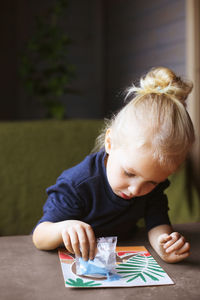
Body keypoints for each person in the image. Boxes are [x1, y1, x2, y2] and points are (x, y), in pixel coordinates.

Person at [33, 67, 195, 264]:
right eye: (129, 173)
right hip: (76, 263)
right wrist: (64, 228)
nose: (136, 189)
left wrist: (164, 243)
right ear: (110, 143)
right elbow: (39, 236)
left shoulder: (151, 186)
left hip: (122, 258)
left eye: (152, 182)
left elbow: (157, 222)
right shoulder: (78, 184)